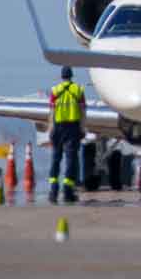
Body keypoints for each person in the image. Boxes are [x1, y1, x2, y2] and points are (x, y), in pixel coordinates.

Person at [46, 65, 86, 203]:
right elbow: (82, 112)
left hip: (58, 127)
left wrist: (50, 129)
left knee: (55, 159)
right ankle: (68, 192)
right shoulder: (78, 90)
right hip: (73, 128)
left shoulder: (55, 90)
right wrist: (83, 128)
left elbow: (51, 113)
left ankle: (53, 191)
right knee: (71, 160)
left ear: (61, 77)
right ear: (71, 76)